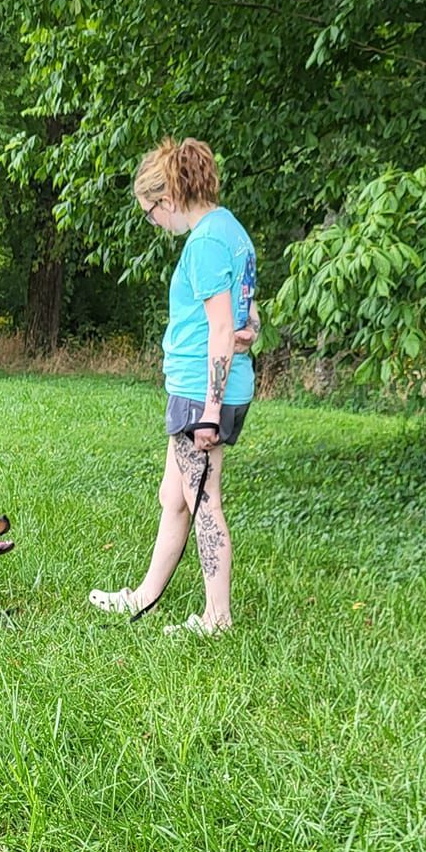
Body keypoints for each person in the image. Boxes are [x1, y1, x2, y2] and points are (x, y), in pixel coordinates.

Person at [89, 138, 258, 635]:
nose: (155, 224)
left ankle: (216, 618)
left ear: (168, 199)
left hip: (200, 394)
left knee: (204, 501)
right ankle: (144, 597)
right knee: (174, 495)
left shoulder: (204, 242)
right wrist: (248, 337)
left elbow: (224, 331)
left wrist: (208, 412)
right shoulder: (232, 231)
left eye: (149, 213)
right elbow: (247, 322)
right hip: (205, 387)